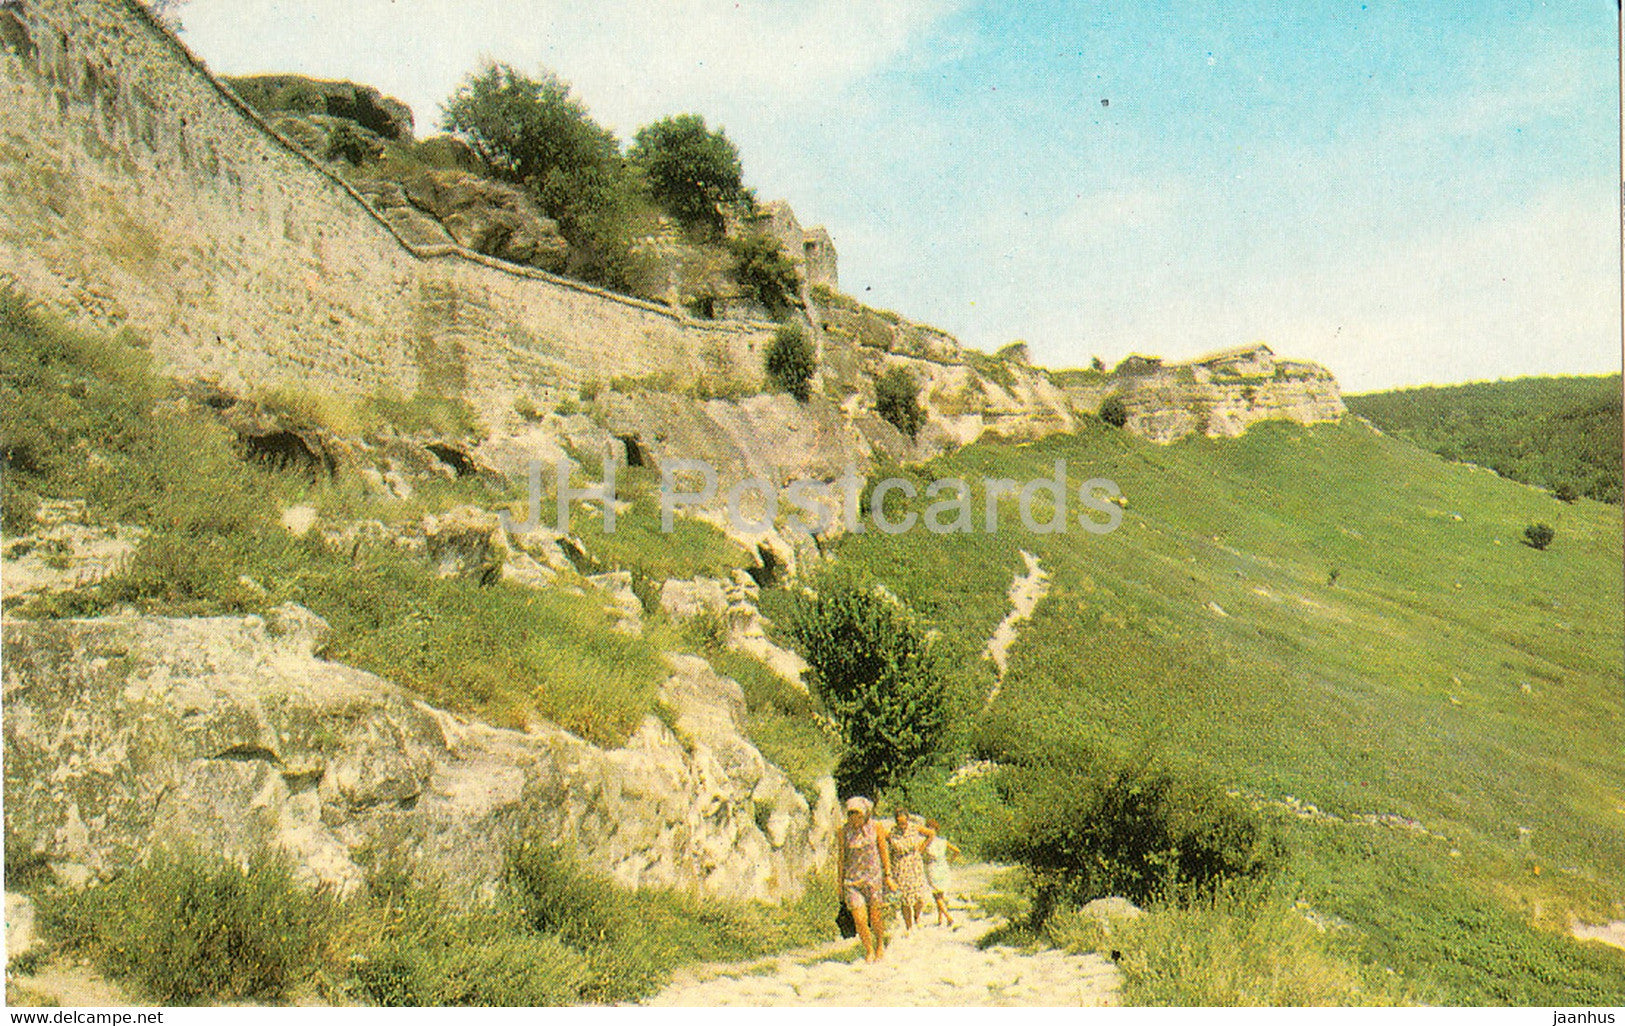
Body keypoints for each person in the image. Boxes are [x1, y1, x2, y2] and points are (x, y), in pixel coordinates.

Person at [837, 796, 894, 962]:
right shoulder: (843, 832)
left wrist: (888, 875)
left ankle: (880, 945)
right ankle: (869, 949)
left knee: (875, 917)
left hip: (873, 878)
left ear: (866, 814)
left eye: (858, 814)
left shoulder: (876, 827)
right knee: (860, 919)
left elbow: (884, 852)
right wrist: (839, 884)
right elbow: (841, 859)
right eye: (851, 814)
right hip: (852, 881)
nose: (854, 818)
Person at [885, 808, 929, 931]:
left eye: (904, 822)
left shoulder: (915, 828)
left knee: (919, 897)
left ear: (907, 819)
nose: (902, 825)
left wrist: (921, 848)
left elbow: (931, 834)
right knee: (905, 899)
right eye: (899, 822)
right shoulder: (892, 832)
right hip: (900, 866)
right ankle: (909, 926)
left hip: (914, 864)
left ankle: (917, 915)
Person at [922, 819, 962, 927]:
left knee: (937, 895)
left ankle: (949, 918)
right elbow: (957, 851)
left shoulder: (926, 842)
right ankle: (940, 919)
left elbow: (920, 853)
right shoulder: (942, 841)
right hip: (943, 866)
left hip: (932, 867)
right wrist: (949, 860)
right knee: (941, 894)